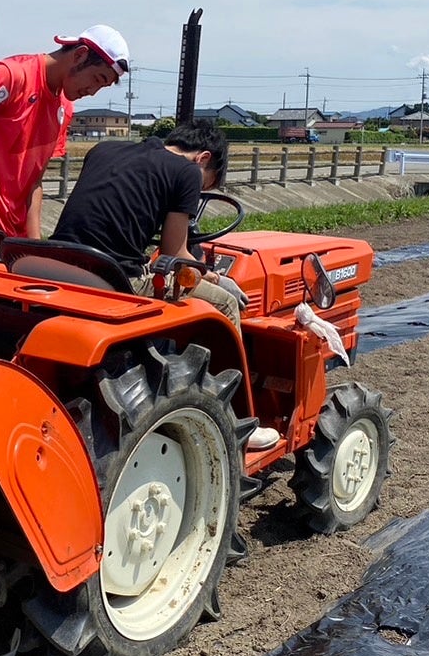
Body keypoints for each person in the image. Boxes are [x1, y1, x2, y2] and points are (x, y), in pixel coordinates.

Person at [51, 122, 280, 450]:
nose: (196, 190)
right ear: (202, 158)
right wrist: (207, 273)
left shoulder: (104, 150)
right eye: (204, 186)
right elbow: (175, 251)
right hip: (113, 279)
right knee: (226, 302)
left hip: (57, 262)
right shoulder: (186, 171)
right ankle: (237, 421)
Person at [0, 25, 129, 257]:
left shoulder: (64, 108)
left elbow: (34, 181)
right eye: (97, 79)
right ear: (80, 55)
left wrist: (35, 244)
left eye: (102, 86)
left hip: (13, 233)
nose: (92, 91)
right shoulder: (11, 75)